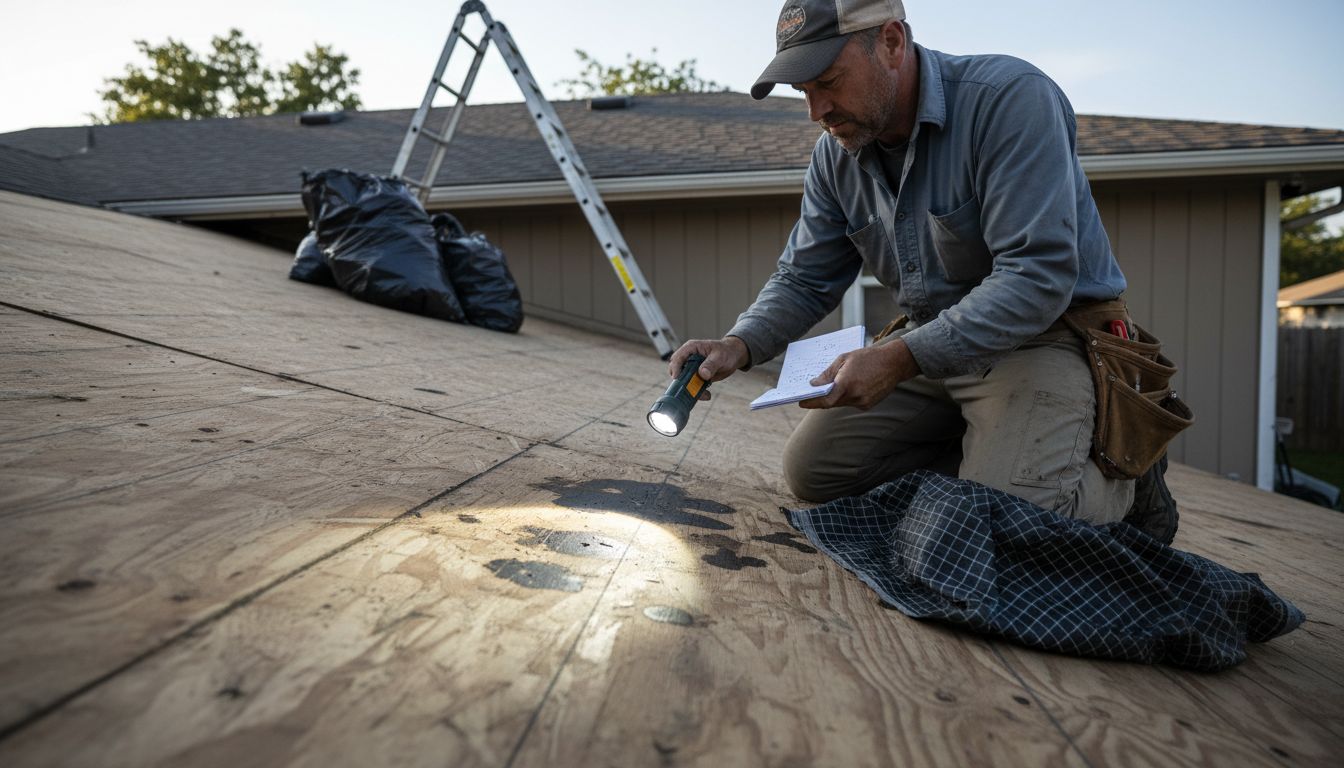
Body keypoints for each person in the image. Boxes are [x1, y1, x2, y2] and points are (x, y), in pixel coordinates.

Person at [667, 0, 1178, 536]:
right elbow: (804, 277)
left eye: (829, 82)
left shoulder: (1008, 100)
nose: (817, 111)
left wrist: (898, 358)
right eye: (804, 93)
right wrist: (738, 344)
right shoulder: (835, 156)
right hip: (929, 341)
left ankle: (1123, 477)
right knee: (817, 472)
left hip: (1045, 336)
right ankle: (993, 456)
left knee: (1009, 529)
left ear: (891, 42)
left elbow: (1037, 277)